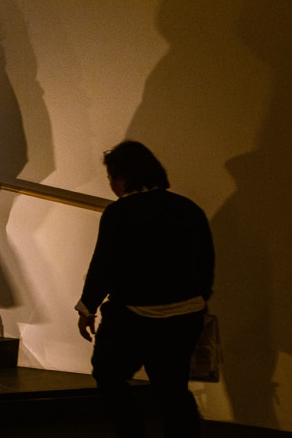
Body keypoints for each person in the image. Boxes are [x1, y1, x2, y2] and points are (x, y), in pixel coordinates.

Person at [77, 141, 214, 438]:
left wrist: (87, 307)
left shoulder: (119, 212)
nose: (112, 185)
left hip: (135, 315)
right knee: (172, 389)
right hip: (184, 314)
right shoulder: (189, 209)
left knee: (108, 374)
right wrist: (200, 300)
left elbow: (104, 266)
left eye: (112, 178)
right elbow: (206, 264)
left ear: (123, 177)